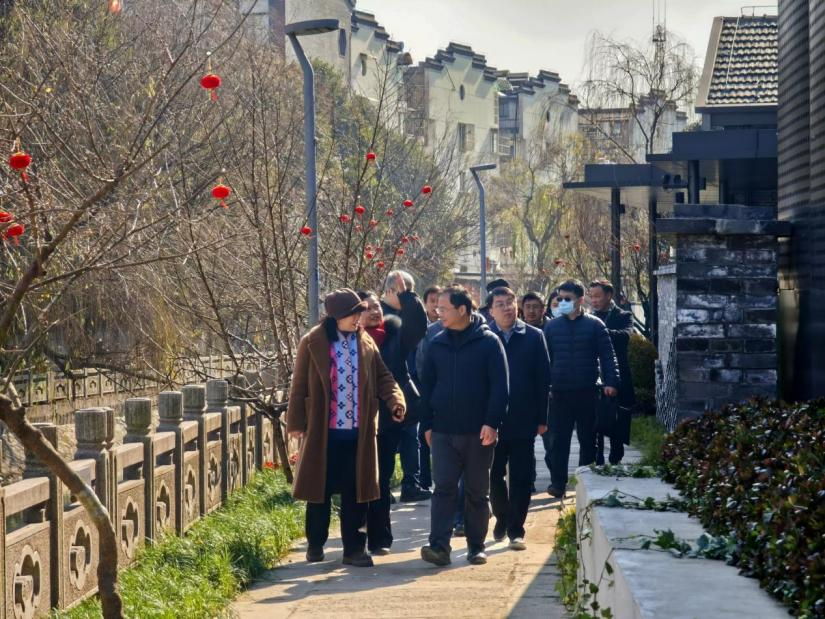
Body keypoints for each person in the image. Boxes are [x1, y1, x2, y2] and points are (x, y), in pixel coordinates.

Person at [286, 288, 406, 567]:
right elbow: (299, 384)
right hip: (323, 433)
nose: (358, 318)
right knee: (320, 491)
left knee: (357, 493)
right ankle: (315, 543)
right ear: (337, 316)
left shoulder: (365, 341)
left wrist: (395, 401)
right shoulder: (313, 341)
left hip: (358, 433)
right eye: (354, 314)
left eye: (359, 313)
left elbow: (384, 377)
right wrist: (296, 422)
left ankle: (354, 549)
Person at [419, 285, 509, 566]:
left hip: (478, 432)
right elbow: (426, 387)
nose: (439, 313)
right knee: (443, 489)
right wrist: (427, 424)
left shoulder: (489, 342)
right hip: (443, 431)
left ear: (462, 310)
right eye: (437, 308)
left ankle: (476, 546)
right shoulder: (436, 343)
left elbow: (500, 388)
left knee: (476, 492)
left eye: (444, 308)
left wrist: (492, 423)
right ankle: (439, 547)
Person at [487, 287, 550, 551]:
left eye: (510, 302)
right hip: (491, 419)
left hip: (523, 417)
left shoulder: (534, 336)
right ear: (491, 310)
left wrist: (542, 417)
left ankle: (516, 529)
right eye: (500, 304)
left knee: (522, 476)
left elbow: (543, 380)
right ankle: (502, 516)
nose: (507, 308)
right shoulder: (485, 337)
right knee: (493, 475)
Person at [544, 279, 619, 497]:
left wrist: (612, 382)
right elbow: (544, 360)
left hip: (588, 391)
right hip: (559, 393)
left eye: (567, 299)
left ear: (580, 300)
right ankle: (558, 484)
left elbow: (608, 356)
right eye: (560, 299)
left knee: (588, 440)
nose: (563, 303)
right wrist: (544, 386)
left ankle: (585, 484)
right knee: (558, 441)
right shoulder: (552, 327)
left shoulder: (595, 325)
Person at [379, 270, 430, 502]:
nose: (410, 298)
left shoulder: (402, 314)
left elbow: (419, 327)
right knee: (385, 445)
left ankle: (411, 484)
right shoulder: (381, 317)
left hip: (403, 390)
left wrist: (407, 297)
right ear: (391, 290)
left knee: (410, 438)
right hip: (383, 393)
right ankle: (381, 488)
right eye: (405, 293)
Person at [588, 280, 636, 465]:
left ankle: (616, 456)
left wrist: (601, 333)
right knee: (595, 418)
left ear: (609, 295)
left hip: (618, 373)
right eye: (591, 297)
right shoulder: (589, 318)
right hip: (595, 374)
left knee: (618, 418)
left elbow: (626, 335)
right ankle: (597, 457)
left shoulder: (623, 315)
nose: (594, 300)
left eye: (598, 296)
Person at [413, 285, 444, 490]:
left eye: (439, 301)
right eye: (432, 301)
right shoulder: (423, 329)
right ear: (425, 304)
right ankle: (424, 480)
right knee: (424, 436)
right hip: (426, 390)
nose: (435, 306)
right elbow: (420, 363)